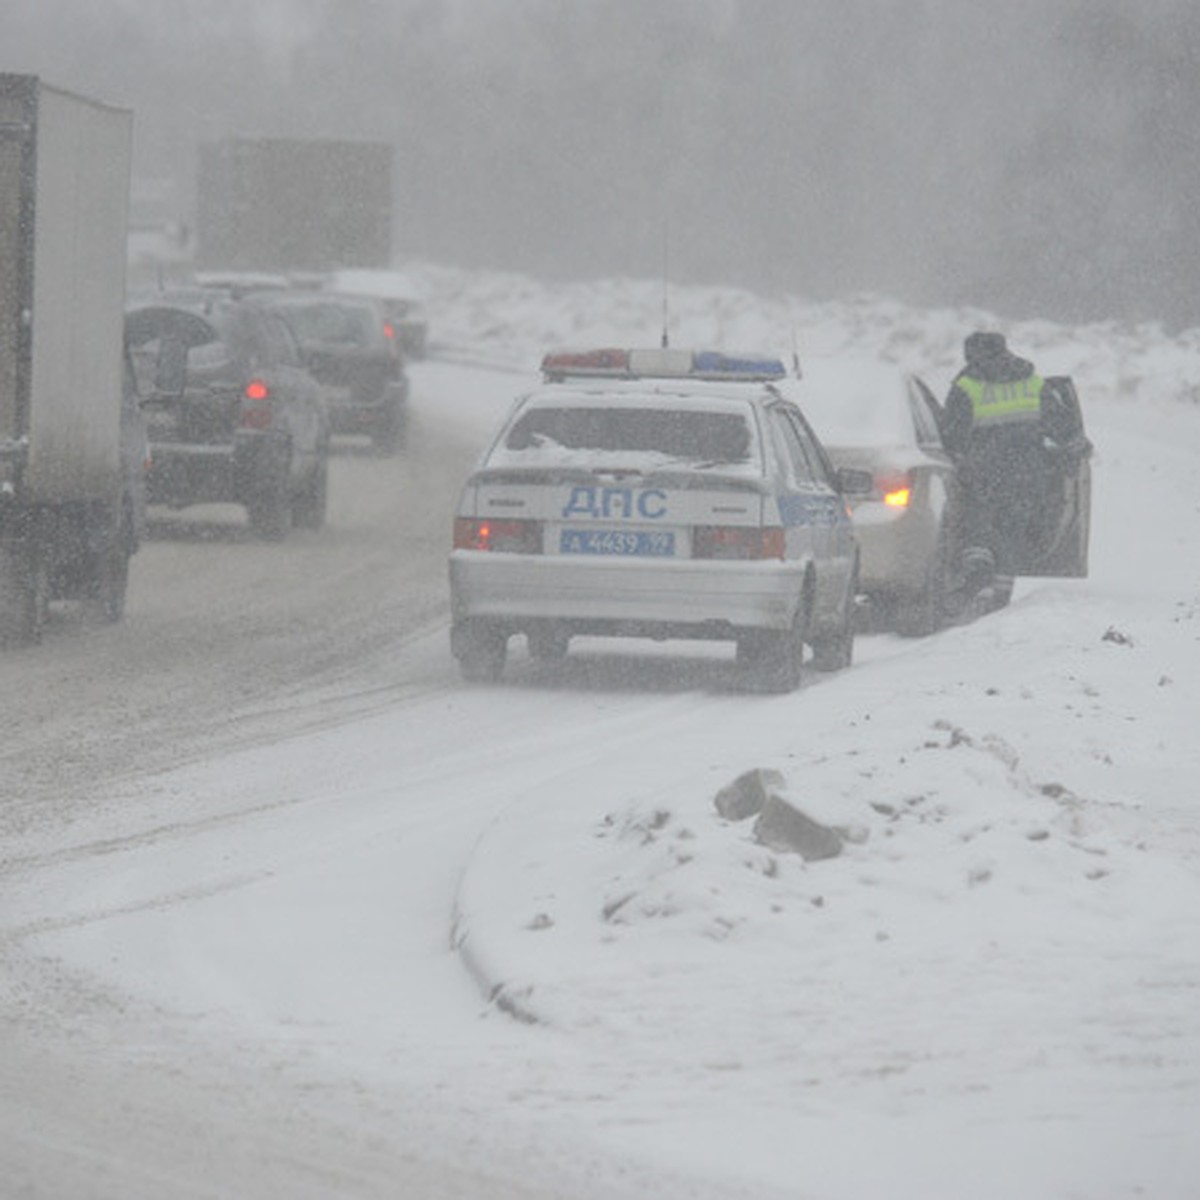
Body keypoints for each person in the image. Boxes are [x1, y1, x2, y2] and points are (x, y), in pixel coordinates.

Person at [941, 331, 1053, 589]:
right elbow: (1060, 422)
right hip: (1027, 473)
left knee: (977, 523)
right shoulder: (1033, 382)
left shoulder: (967, 386)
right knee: (1011, 531)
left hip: (982, 473)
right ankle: (1002, 592)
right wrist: (1074, 447)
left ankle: (976, 574)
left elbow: (951, 434)